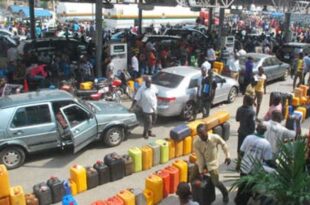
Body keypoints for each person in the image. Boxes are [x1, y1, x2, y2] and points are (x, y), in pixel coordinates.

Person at [235, 122, 273, 205]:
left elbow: (241, 152)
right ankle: (243, 201)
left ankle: (238, 201)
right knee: (249, 187)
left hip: (244, 167)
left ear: (256, 129)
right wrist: (276, 167)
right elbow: (268, 160)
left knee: (242, 185)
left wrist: (238, 164)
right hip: (255, 171)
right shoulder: (266, 144)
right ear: (265, 131)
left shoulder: (248, 138)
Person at [193, 124, 231, 203]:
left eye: (203, 135)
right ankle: (195, 194)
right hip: (201, 162)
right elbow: (199, 158)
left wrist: (227, 156)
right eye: (199, 135)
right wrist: (201, 171)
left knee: (216, 182)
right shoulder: (196, 142)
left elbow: (224, 144)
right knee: (192, 178)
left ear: (206, 131)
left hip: (212, 163)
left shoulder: (215, 137)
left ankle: (225, 193)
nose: (201, 137)